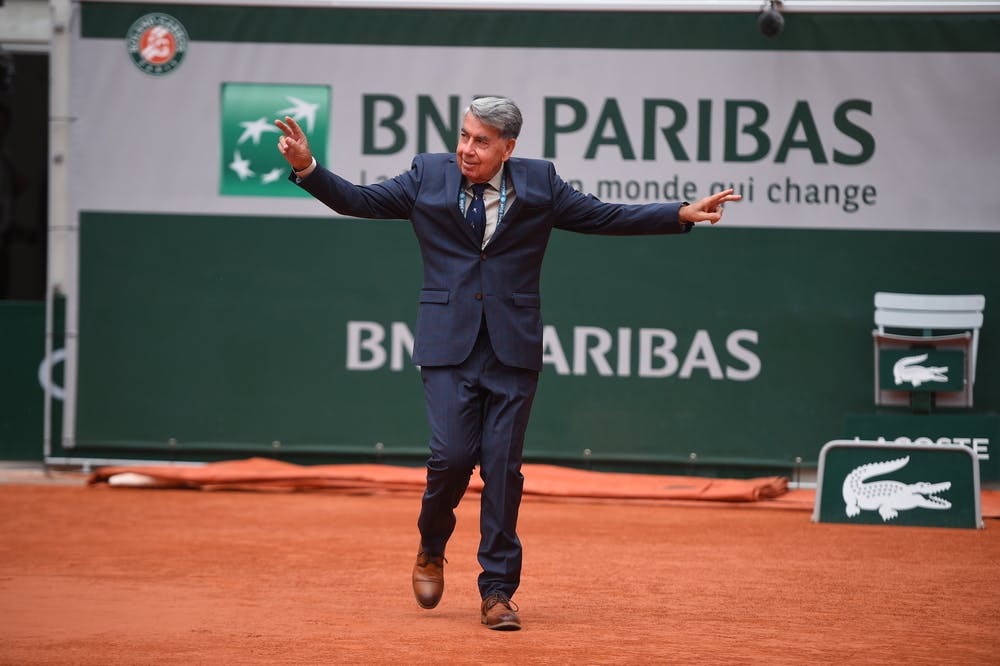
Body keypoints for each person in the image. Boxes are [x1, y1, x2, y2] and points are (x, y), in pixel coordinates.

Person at [275, 96, 740, 631]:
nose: (467, 149)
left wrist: (678, 213)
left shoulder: (540, 184)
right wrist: (307, 167)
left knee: (501, 470)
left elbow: (603, 215)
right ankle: (431, 545)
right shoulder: (427, 175)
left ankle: (497, 592)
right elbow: (357, 200)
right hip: (448, 344)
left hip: (512, 348)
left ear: (508, 148)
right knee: (450, 458)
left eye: (482, 141)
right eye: (465, 136)